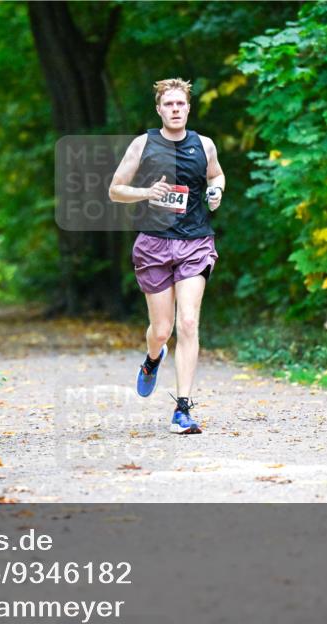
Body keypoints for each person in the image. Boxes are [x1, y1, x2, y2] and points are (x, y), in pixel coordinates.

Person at [108, 78, 225, 434]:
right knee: (162, 330)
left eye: (181, 104)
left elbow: (216, 175)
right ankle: (153, 357)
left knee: (187, 322)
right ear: (159, 109)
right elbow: (115, 190)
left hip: (195, 242)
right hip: (155, 244)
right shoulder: (143, 144)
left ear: (189, 108)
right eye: (169, 104)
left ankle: (182, 409)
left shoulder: (204, 145)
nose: (175, 109)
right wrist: (147, 192)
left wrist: (216, 191)